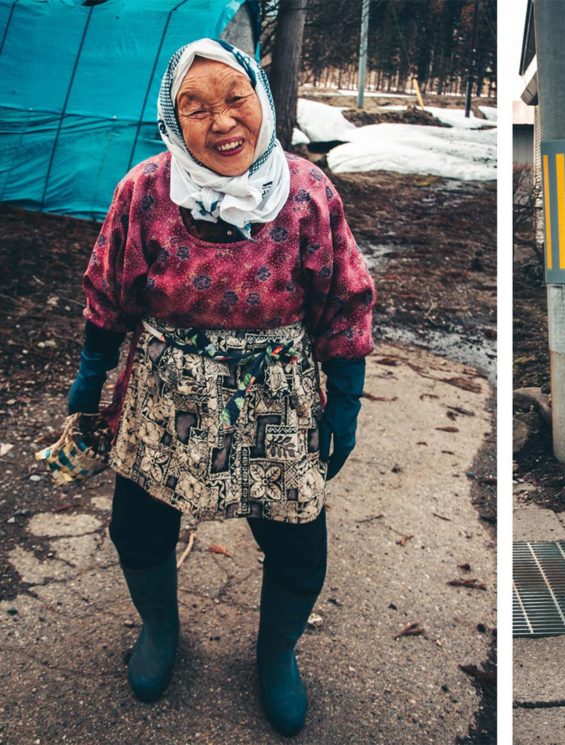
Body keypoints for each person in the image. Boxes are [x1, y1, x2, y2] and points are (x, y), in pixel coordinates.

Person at [65, 38, 375, 736]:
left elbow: (345, 298)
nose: (222, 121)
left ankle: (275, 658)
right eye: (195, 107)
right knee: (138, 529)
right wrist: (92, 375)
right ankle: (160, 632)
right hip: (167, 390)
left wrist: (345, 397)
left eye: (235, 98)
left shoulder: (306, 193)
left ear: (260, 98)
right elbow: (107, 290)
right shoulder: (144, 192)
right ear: (172, 121)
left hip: (277, 395)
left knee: (298, 544)